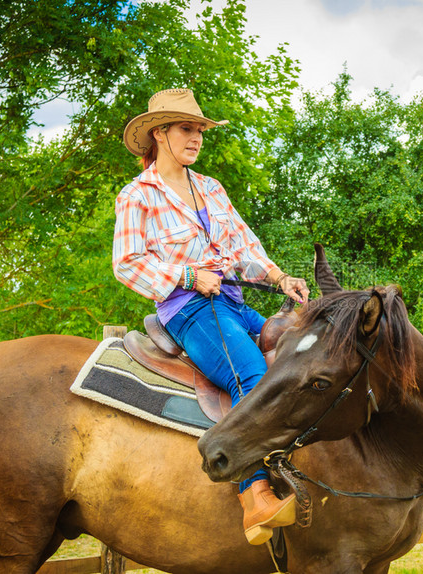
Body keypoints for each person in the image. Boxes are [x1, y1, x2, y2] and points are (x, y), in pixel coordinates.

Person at [113, 88, 310, 545]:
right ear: (159, 133)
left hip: (234, 302)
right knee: (252, 375)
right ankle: (254, 497)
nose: (197, 137)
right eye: (187, 128)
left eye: (200, 129)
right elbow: (126, 262)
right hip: (190, 309)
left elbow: (244, 248)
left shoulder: (211, 188)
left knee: (299, 364)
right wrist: (186, 275)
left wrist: (280, 279)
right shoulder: (137, 194)